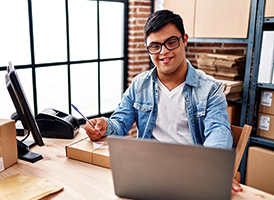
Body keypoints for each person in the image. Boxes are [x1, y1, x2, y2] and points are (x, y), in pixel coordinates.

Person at [84, 9, 242, 194]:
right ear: (148, 49)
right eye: (155, 46)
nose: (164, 52)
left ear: (184, 40)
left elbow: (218, 131)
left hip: (192, 174)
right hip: (147, 171)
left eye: (171, 42)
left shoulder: (210, 89)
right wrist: (105, 125)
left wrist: (215, 166)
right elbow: (119, 123)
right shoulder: (139, 85)